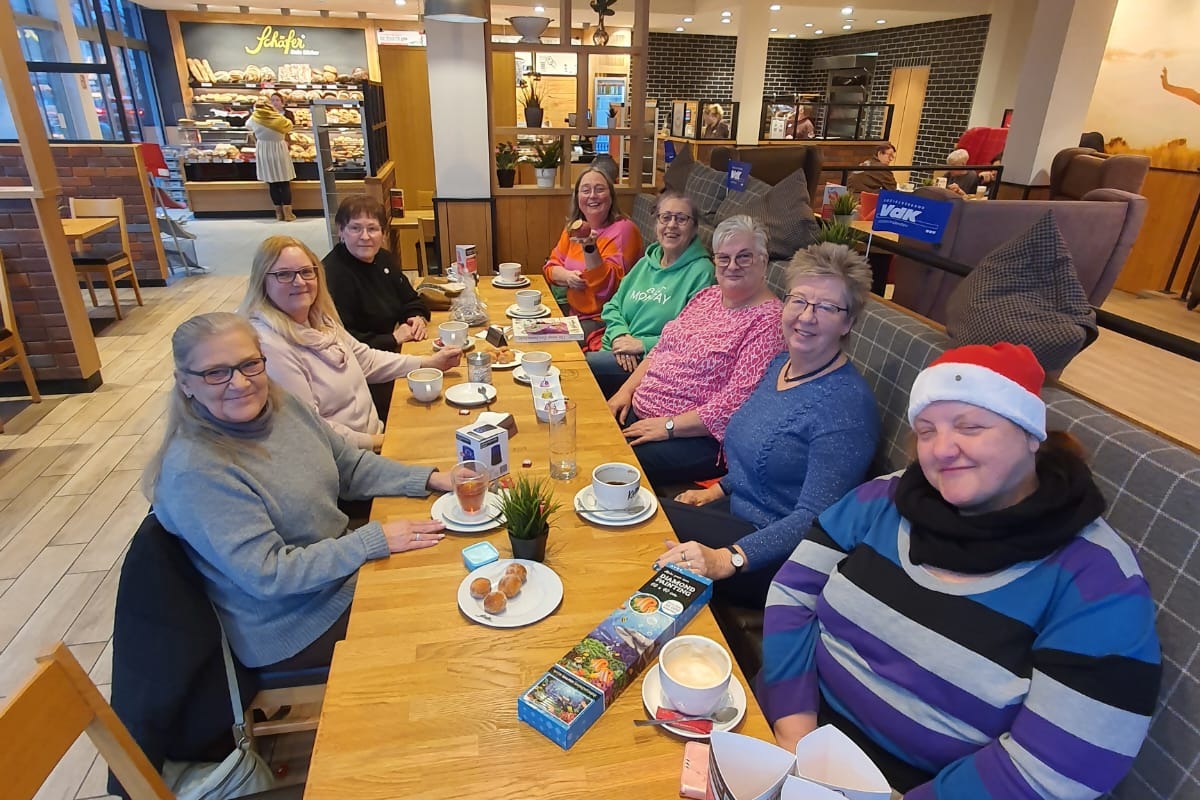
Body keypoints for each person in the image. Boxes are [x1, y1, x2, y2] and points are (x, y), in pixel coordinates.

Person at [759, 343, 1161, 796]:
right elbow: (793, 591)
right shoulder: (885, 498)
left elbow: (1056, 772)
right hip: (798, 725)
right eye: (926, 431)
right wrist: (796, 731)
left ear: (1031, 433)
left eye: (970, 426)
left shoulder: (1097, 582)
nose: (942, 449)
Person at [144, 312, 454, 671]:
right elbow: (271, 574)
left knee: (450, 567)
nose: (241, 383)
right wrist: (370, 541)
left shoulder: (281, 406)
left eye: (249, 364)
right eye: (216, 372)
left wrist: (432, 479)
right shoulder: (196, 471)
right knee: (439, 623)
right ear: (184, 383)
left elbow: (350, 466)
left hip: (339, 573)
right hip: (296, 621)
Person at [654, 243, 880, 607]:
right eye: (800, 301)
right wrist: (718, 490)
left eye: (826, 307)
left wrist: (728, 558)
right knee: (641, 517)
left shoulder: (846, 409)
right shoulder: (779, 365)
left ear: (848, 322)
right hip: (738, 517)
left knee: (644, 523)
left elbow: (815, 521)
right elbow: (759, 452)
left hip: (779, 558)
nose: (807, 316)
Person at [606, 215, 783, 486]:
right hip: (643, 413)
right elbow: (661, 349)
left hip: (697, 438)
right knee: (585, 429)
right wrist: (626, 391)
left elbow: (736, 403)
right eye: (723, 258)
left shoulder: (769, 321)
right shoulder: (707, 296)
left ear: (764, 260)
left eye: (744, 257)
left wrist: (668, 427)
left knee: (608, 463)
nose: (732, 266)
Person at [240, 236, 461, 450]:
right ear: (262, 281)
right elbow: (312, 427)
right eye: (284, 275)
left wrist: (430, 363)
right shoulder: (268, 344)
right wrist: (380, 442)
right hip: (348, 458)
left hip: (376, 435)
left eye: (306, 272)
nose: (299, 282)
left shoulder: (319, 319)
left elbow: (367, 360)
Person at [586, 190, 715, 397]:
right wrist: (621, 335)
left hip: (653, 361)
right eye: (665, 217)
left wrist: (641, 345)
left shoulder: (702, 272)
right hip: (617, 346)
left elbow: (694, 337)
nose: (672, 225)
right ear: (656, 224)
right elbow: (612, 305)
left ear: (694, 228)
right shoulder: (646, 263)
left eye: (682, 219)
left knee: (580, 371)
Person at [323, 194, 430, 417]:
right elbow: (342, 341)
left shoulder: (383, 259)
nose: (365, 237)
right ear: (341, 231)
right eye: (355, 228)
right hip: (363, 376)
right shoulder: (333, 275)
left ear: (382, 232)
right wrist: (393, 338)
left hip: (393, 355)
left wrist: (416, 317)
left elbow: (411, 299)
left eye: (372, 229)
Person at [542, 168, 644, 337]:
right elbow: (550, 267)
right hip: (574, 315)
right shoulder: (574, 228)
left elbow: (607, 288)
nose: (592, 196)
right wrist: (567, 276)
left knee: (547, 341)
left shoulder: (625, 230)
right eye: (586, 190)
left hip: (605, 321)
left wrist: (590, 247)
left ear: (611, 196)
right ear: (577, 197)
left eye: (599, 189)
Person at [246, 99, 297, 221]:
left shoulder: (253, 119)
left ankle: (279, 214)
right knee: (284, 182)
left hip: (264, 150)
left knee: (272, 183)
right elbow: (290, 126)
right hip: (279, 149)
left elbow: (248, 126)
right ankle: (288, 214)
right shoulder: (279, 119)